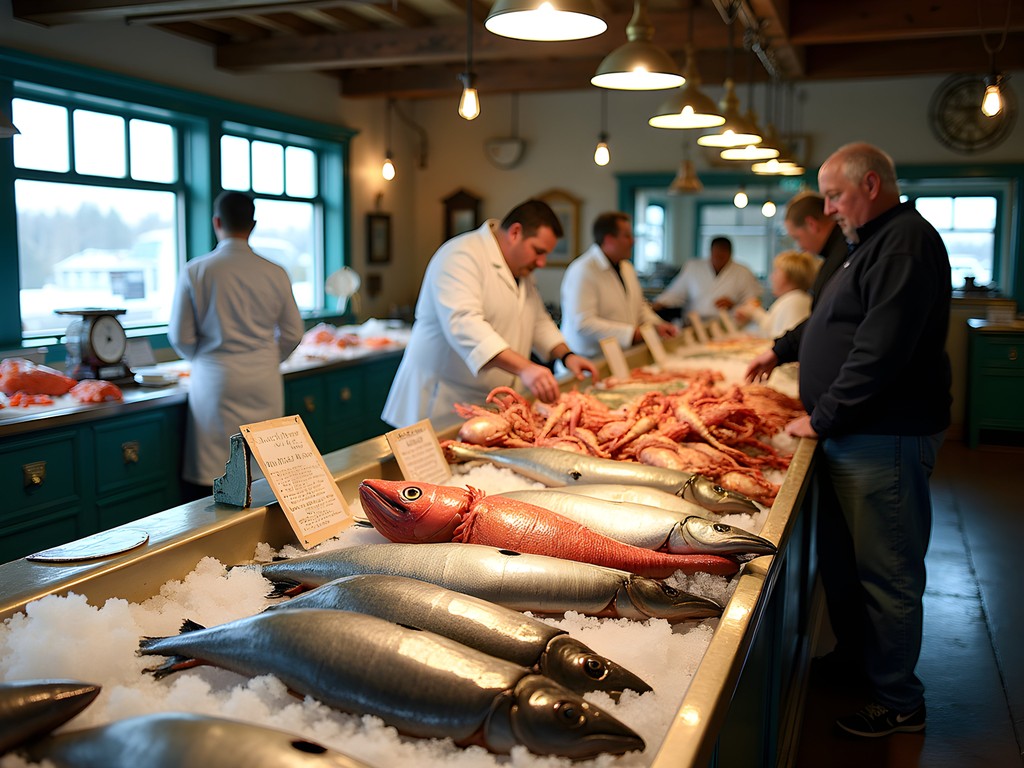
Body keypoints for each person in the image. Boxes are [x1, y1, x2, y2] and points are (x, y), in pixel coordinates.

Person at [746, 142, 952, 738]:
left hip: (881, 434)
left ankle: (899, 700)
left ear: (869, 184)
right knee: (844, 562)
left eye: (834, 195)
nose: (828, 207)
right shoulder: (865, 242)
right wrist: (780, 349)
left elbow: (879, 347)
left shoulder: (905, 240)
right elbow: (834, 317)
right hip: (851, 432)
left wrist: (825, 413)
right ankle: (856, 660)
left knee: (886, 571)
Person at [382, 199, 599, 429]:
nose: (542, 262)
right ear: (515, 232)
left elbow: (537, 321)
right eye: (538, 251)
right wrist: (525, 368)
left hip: (486, 405)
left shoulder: (521, 272)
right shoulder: (460, 256)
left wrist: (567, 356)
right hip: (439, 404)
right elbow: (466, 325)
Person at [168, 191, 304, 496]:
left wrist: (204, 357)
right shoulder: (275, 272)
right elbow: (294, 333)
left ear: (216, 222)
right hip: (263, 380)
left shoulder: (197, 270)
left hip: (215, 381)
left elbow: (180, 336)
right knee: (262, 474)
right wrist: (268, 357)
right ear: (253, 224)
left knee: (216, 474)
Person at [559, 211, 676, 357]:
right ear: (609, 239)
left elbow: (639, 308)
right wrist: (632, 334)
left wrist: (657, 325)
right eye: (627, 236)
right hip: (588, 362)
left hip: (620, 357)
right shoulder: (582, 270)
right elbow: (584, 323)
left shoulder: (627, 268)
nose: (632, 242)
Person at [650, 236, 761, 320]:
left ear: (730, 254)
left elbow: (753, 302)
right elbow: (675, 293)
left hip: (728, 324)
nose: (718, 258)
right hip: (694, 323)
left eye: (722, 255)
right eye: (716, 254)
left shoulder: (743, 272)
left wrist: (734, 305)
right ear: (711, 252)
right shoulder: (693, 267)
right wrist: (656, 304)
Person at [733, 249, 818, 339]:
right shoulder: (795, 299)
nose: (772, 277)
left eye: (776, 272)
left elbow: (783, 340)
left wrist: (753, 311)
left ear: (789, 276)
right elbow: (772, 329)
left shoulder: (794, 301)